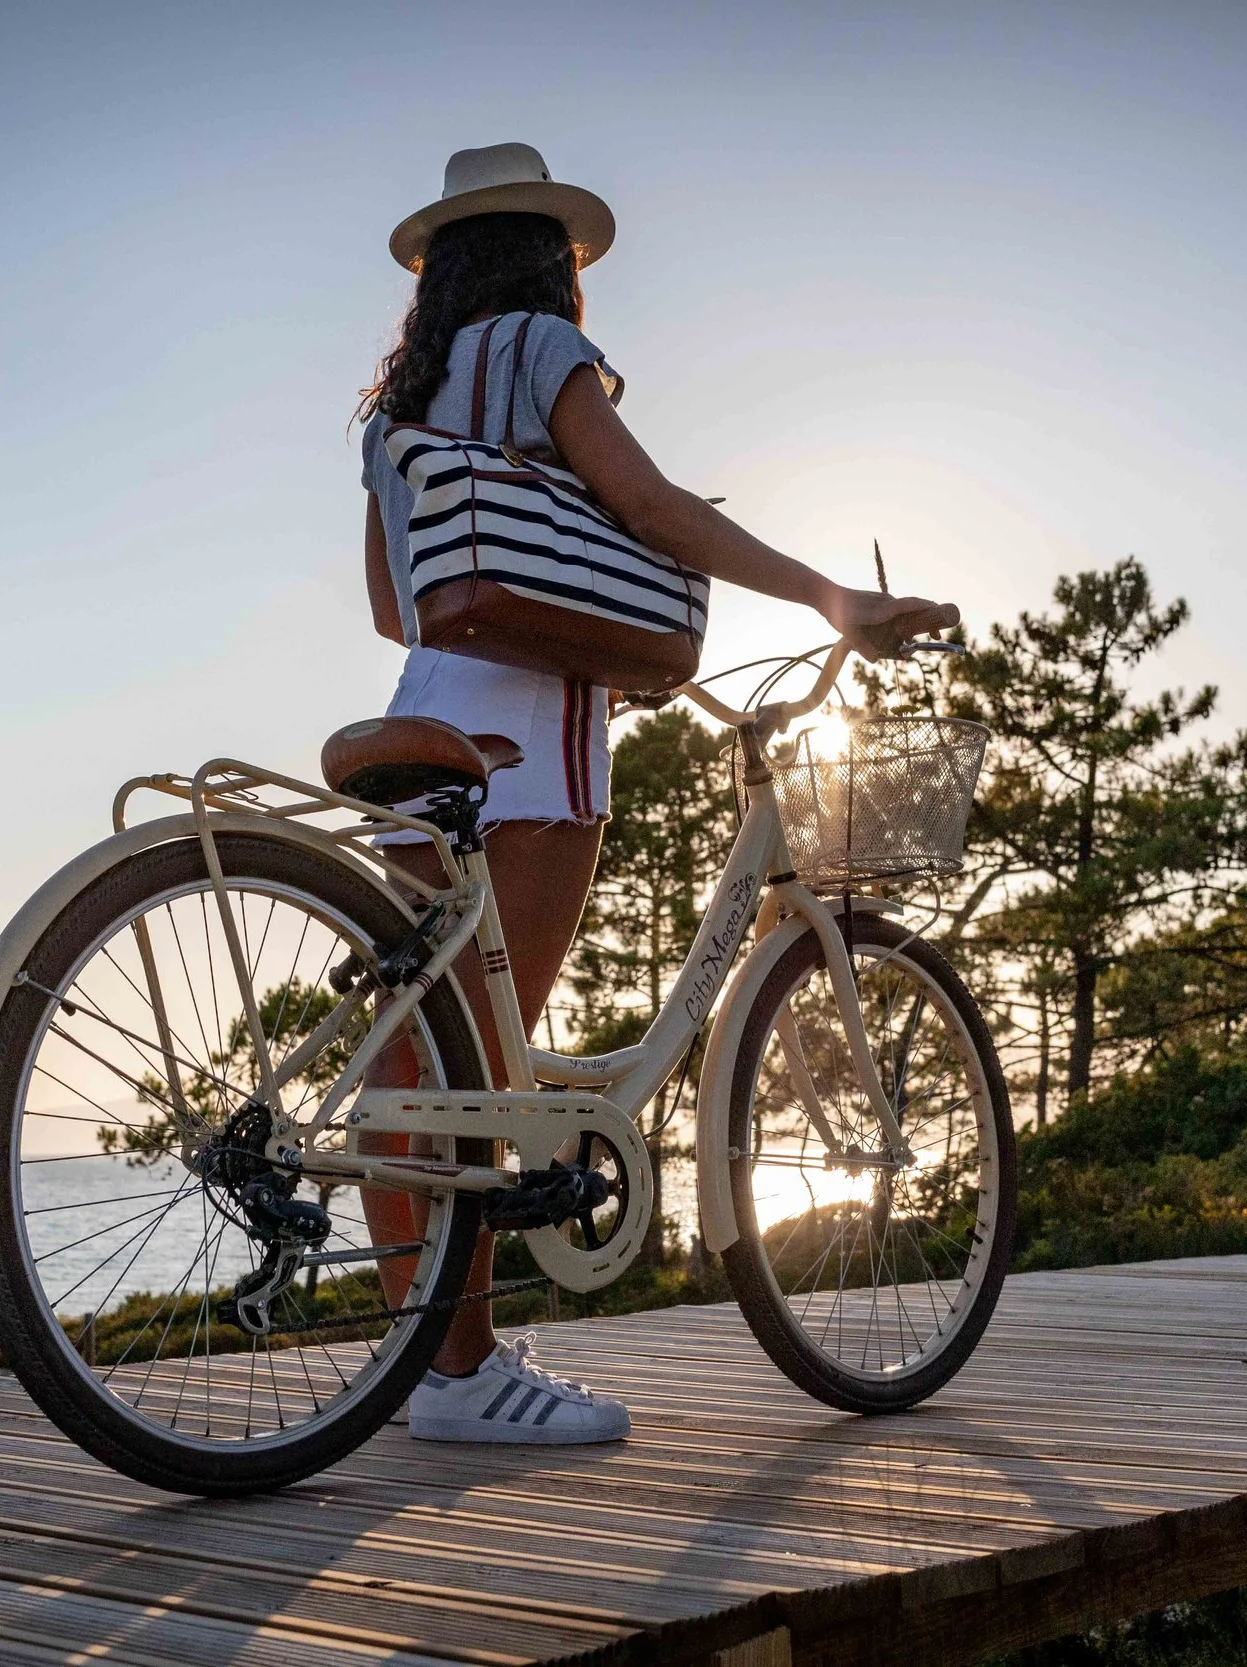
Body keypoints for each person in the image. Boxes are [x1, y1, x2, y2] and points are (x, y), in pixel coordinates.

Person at [353, 143, 955, 1444]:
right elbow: (646, 501)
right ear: (546, 258)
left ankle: (424, 1369)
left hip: (422, 725)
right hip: (528, 736)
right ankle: (466, 1379)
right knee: (481, 1072)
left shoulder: (396, 408)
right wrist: (827, 595)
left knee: (418, 1066)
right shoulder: (539, 351)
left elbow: (392, 602)